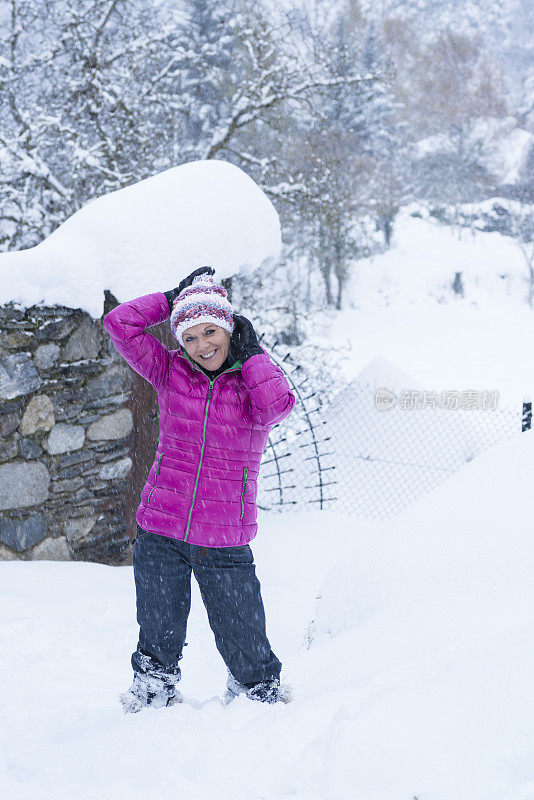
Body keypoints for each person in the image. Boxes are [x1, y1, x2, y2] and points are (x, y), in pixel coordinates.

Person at [102, 266, 296, 712]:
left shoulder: (251, 382)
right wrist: (172, 299)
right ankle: (153, 693)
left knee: (241, 629)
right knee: (158, 627)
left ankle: (259, 694)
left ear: (230, 330)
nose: (202, 345)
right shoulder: (169, 371)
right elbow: (120, 324)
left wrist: (253, 356)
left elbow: (278, 407)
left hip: (224, 533)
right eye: (189, 336)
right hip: (161, 527)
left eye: (211, 331)